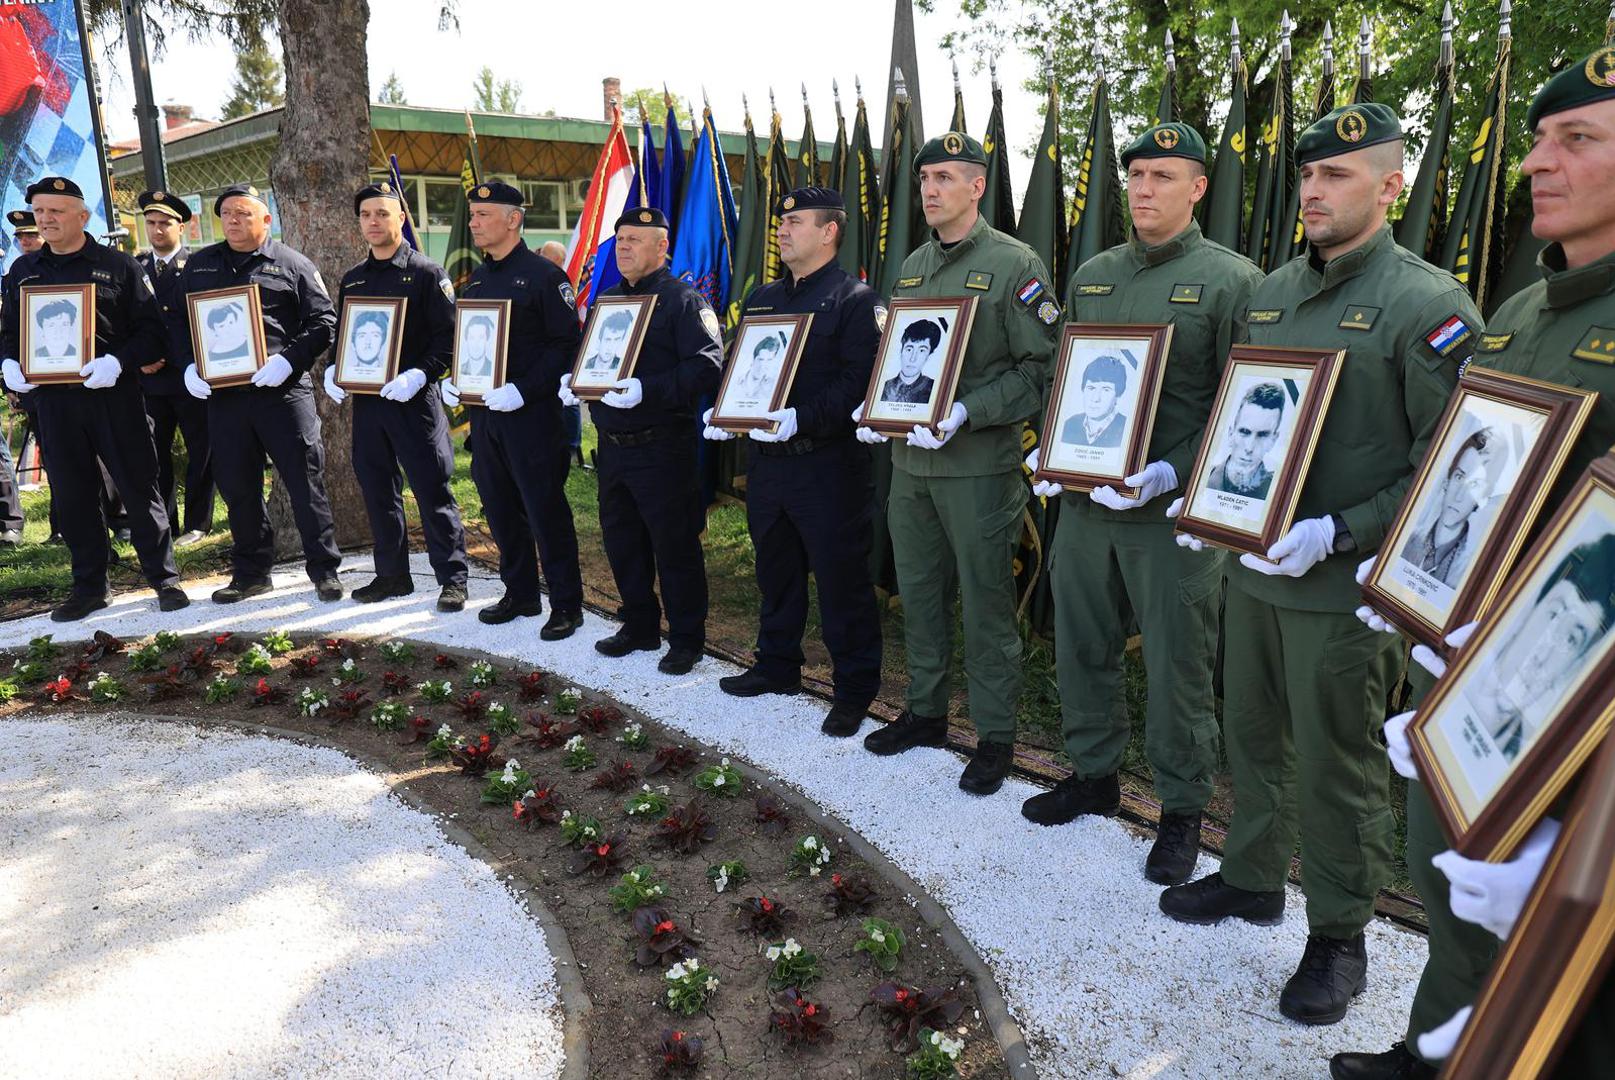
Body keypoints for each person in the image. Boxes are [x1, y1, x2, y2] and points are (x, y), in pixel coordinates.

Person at [1158, 104, 1482, 1028]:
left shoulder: (1429, 305)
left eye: (1336, 176)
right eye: (1307, 175)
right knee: (1251, 733)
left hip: (1342, 591)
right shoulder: (1268, 293)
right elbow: (1244, 415)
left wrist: (1342, 530)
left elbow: (1451, 460)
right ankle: (1255, 876)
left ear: (1390, 186)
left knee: (1336, 768)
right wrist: (1211, 501)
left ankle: (1339, 936)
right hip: (1255, 570)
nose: (1312, 190)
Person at [1332, 51, 1615, 1080]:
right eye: (1538, 138)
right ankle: (1428, 1051)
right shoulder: (1526, 310)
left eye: (1576, 140)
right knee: (1444, 884)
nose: (1538, 162)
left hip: (1572, 728)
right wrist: (1414, 589)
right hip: (1457, 677)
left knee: (1557, 976)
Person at [1021, 122, 1264, 885]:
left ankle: (1182, 809)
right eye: (1135, 176)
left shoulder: (1233, 282)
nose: (1144, 189)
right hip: (1088, 506)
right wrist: (1051, 449)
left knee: (1176, 665)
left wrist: (1170, 472)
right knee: (1081, 644)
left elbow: (1243, 400)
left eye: (1163, 176)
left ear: (1197, 188)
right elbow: (1072, 375)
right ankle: (1092, 774)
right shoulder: (1093, 274)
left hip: (1169, 516)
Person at [852, 131, 1058, 795]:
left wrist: (966, 410)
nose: (931, 190)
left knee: (987, 604)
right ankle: (927, 711)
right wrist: (876, 405)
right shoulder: (912, 268)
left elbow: (1041, 368)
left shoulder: (1013, 265)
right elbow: (902, 362)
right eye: (924, 180)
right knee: (918, 595)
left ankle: (995, 735)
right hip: (911, 467)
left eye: (946, 178)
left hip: (977, 468)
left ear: (977, 186)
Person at [704, 186, 883, 735]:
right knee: (775, 570)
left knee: (839, 581)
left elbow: (861, 381)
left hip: (827, 466)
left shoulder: (856, 301)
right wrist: (722, 409)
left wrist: (803, 417)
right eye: (781, 221)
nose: (782, 229)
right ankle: (777, 665)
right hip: (768, 464)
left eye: (796, 222)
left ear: (829, 231)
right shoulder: (763, 299)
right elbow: (739, 368)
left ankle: (854, 691)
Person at [0, 176, 188, 620]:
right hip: (53, 403)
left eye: (56, 211)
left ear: (82, 217)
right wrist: (8, 365)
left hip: (112, 396)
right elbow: (8, 333)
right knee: (73, 493)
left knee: (138, 487)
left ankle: (164, 580)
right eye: (40, 211)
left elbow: (152, 335)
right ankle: (89, 587)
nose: (46, 219)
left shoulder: (118, 266)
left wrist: (117, 362)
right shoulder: (23, 272)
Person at [560, 205, 723, 675]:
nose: (625, 247)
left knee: (674, 546)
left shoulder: (684, 301)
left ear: (662, 247)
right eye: (621, 239)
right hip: (612, 445)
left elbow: (707, 365)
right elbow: (591, 359)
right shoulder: (609, 299)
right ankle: (640, 623)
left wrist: (648, 388)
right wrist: (574, 381)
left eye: (635, 239)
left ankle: (687, 637)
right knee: (622, 539)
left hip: (661, 445)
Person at [173, 182, 343, 604]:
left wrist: (290, 360)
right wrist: (187, 366)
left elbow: (324, 321)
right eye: (227, 213)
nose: (233, 220)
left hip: (282, 392)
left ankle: (324, 570)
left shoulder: (292, 263)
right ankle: (251, 573)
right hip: (225, 398)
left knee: (305, 483)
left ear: (266, 219)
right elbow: (175, 322)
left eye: (243, 213)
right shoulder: (200, 265)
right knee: (238, 487)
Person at [321, 181, 470, 612]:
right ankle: (392, 576)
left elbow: (447, 339)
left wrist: (419, 375)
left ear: (400, 218)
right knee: (377, 490)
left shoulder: (426, 274)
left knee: (431, 490)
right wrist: (336, 368)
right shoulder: (355, 277)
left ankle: (453, 578)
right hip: (368, 405)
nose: (373, 222)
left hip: (413, 402)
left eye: (382, 214)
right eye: (366, 215)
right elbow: (346, 335)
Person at [446, 180, 583, 636]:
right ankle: (521, 593)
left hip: (531, 416)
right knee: (500, 507)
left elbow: (566, 344)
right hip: (485, 418)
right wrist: (457, 383)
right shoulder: (480, 278)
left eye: (483, 215)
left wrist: (525, 389)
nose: (474, 223)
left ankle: (566, 603)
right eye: (472, 215)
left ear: (513, 219)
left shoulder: (546, 277)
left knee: (544, 510)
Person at [135, 189, 213, 547]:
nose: (157, 229)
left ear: (182, 226)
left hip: (189, 376)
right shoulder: (135, 266)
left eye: (165, 223)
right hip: (150, 377)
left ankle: (198, 523)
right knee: (154, 454)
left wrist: (182, 359)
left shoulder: (198, 266)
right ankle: (164, 521)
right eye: (151, 223)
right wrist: (140, 359)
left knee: (201, 449)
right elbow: (129, 321)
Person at [1397, 429, 1497, 587]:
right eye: (1459, 477)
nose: (1459, 496)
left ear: (1482, 499)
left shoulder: (1469, 569)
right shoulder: (1407, 541)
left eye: (1474, 484)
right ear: (1446, 482)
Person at [540, 239, 586, 471]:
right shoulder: (538, 274)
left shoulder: (558, 280)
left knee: (568, 398)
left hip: (561, 350)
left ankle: (572, 445)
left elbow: (567, 327)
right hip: (542, 354)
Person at [1207, 381, 1284, 498]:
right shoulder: (1202, 480)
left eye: (1262, 435)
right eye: (1244, 432)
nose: (1249, 447)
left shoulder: (1279, 491)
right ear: (1231, 433)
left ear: (1273, 440)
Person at [1060, 353, 1129, 448]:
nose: (1096, 398)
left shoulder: (1128, 428)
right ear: (1083, 389)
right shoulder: (1068, 425)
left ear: (1118, 395)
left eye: (1106, 390)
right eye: (1091, 388)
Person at [879, 319, 940, 404]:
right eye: (909, 349)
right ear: (901, 350)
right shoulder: (883, 388)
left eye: (922, 351)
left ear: (929, 355)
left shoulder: (935, 389)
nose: (912, 359)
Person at [729, 331, 782, 404]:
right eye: (760, 359)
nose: (763, 365)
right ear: (753, 360)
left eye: (769, 360)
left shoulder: (773, 386)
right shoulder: (735, 382)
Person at [583, 309, 632, 374]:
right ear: (598, 342)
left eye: (616, 340)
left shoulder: (625, 367)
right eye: (607, 340)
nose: (610, 347)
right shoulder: (584, 365)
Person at [458, 315, 496, 381]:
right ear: (466, 340)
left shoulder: (494, 369)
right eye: (472, 337)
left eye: (481, 337)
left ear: (487, 340)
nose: (476, 343)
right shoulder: (459, 370)